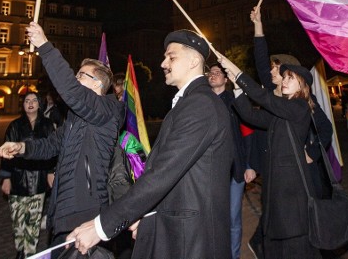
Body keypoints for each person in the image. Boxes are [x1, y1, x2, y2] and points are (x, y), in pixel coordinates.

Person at [70, 29, 233, 258]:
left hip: (192, 239)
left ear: (194, 60)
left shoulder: (200, 105)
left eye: (171, 56)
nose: (163, 62)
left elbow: (163, 174)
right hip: (178, 231)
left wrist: (102, 226)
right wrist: (143, 214)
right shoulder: (190, 103)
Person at [0, 22, 124, 248]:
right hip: (62, 210)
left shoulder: (109, 109)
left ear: (97, 85)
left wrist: (45, 46)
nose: (76, 78)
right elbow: (49, 146)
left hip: (86, 210)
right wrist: (22, 147)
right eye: (76, 74)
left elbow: (71, 91)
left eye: (81, 75)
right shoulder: (75, 119)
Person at [248, 5, 334, 258]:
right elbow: (261, 62)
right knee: (275, 216)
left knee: (302, 222)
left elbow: (325, 128)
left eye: (278, 68)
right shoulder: (272, 91)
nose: (273, 72)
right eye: (274, 70)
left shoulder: (303, 100)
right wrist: (258, 26)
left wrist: (313, 151)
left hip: (301, 168)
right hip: (275, 165)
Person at [219, 54, 320, 259]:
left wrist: (239, 74)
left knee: (294, 240)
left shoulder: (299, 107)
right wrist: (237, 88)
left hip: (292, 189)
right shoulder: (282, 111)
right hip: (275, 186)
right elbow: (251, 116)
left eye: (289, 78)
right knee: (274, 236)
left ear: (301, 85)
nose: (284, 80)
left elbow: (263, 97)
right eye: (284, 77)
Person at [208, 61, 255, 259]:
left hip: (235, 170)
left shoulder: (235, 102)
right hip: (209, 172)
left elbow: (248, 133)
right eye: (210, 72)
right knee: (212, 218)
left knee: (233, 217)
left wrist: (250, 166)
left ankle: (233, 256)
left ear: (226, 80)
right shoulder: (202, 101)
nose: (213, 74)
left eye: (218, 72)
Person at [0, 91, 55, 259]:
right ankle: (20, 249)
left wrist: (51, 172)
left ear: (39, 104)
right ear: (23, 106)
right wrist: (6, 177)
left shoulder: (47, 125)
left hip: (38, 177)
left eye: (34, 100)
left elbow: (52, 151)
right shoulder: (15, 126)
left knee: (34, 221)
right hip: (18, 177)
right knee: (18, 220)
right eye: (26, 101)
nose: (30, 103)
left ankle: (29, 253)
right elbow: (6, 154)